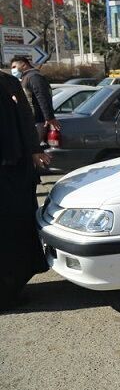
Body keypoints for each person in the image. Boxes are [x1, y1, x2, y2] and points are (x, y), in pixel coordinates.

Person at [0, 70, 50, 310]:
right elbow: (24, 119)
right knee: (15, 233)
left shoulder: (8, 83)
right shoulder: (7, 83)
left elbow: (24, 118)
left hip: (13, 170)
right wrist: (34, 149)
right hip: (11, 172)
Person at [11, 55, 61, 143]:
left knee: (33, 150)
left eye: (14, 67)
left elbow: (42, 96)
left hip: (37, 120)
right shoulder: (26, 78)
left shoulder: (34, 77)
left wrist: (49, 117)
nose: (13, 70)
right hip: (30, 120)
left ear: (23, 65)